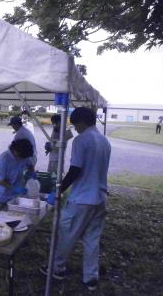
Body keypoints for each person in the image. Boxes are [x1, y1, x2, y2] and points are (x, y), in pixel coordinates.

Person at [39, 107, 111, 292]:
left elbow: (75, 169)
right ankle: (91, 278)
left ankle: (57, 268)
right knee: (92, 240)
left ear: (82, 122)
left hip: (82, 198)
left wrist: (58, 190)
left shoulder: (82, 140)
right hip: (100, 197)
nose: (74, 128)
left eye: (74, 123)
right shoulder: (104, 141)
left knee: (66, 233)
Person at [0, 139, 34, 219]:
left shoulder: (24, 155)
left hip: (15, 193)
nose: (22, 159)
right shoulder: (4, 158)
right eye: (21, 157)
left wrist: (32, 173)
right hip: (1, 193)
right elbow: (0, 180)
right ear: (15, 150)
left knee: (10, 216)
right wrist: (15, 188)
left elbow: (30, 164)